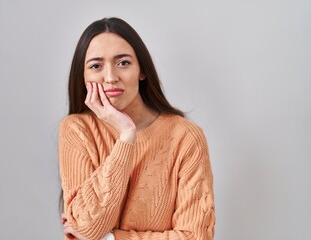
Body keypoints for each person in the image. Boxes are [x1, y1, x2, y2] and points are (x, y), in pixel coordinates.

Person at [58, 17, 215, 240]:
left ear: (142, 70)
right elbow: (86, 227)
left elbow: (196, 237)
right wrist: (125, 136)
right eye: (96, 66)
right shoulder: (77, 129)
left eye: (123, 63)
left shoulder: (186, 137)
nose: (111, 77)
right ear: (83, 77)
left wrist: (112, 239)